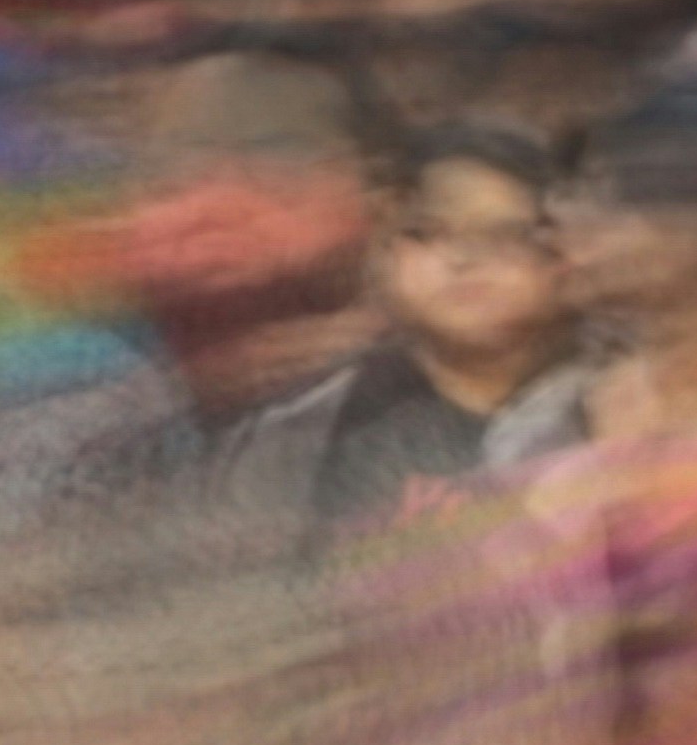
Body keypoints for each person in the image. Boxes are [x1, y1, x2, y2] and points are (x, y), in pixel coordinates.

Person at [242, 120, 573, 531]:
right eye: (428, 233)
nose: (463, 259)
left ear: (564, 249)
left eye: (503, 234)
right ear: (385, 249)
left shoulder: (615, 405)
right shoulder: (312, 427)